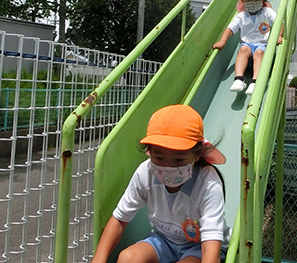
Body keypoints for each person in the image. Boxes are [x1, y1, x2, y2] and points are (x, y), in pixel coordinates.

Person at [91, 104, 230, 263]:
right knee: (127, 258)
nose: (168, 167)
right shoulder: (146, 172)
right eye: (159, 158)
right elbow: (119, 219)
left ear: (197, 155)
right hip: (164, 241)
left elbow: (210, 243)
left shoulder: (207, 182)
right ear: (149, 152)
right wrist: (98, 260)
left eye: (179, 159)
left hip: (199, 246)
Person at [213, 0, 283, 96]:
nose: (252, 2)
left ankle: (255, 81)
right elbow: (230, 29)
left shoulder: (266, 12)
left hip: (262, 44)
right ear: (243, 1)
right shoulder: (241, 16)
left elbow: (279, 22)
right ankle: (239, 79)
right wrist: (222, 41)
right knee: (243, 50)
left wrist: (278, 35)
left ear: (263, 0)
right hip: (247, 45)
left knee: (259, 52)